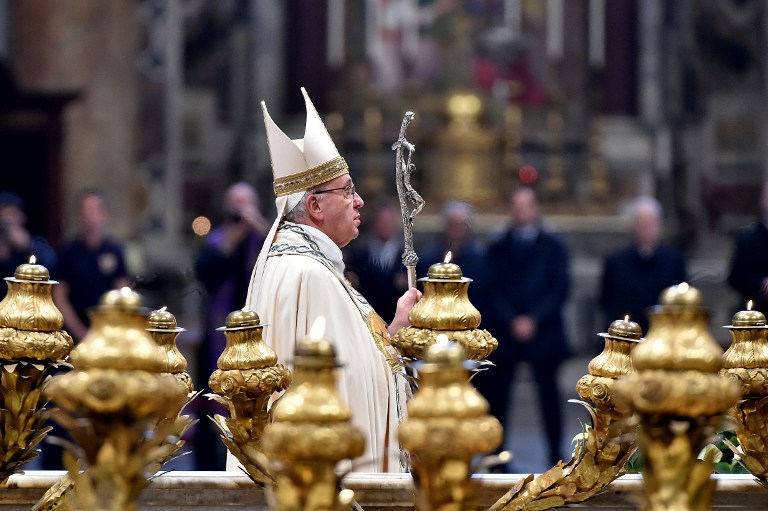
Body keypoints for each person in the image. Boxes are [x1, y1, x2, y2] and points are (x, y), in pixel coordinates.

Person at [244, 88, 420, 473]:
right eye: (348, 190)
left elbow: (352, 365)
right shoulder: (308, 275)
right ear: (315, 205)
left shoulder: (299, 262)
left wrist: (394, 330)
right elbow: (348, 389)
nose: (359, 202)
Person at [474, 186, 571, 468]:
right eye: (516, 204)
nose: (521, 210)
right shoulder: (498, 247)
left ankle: (555, 457)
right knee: (498, 397)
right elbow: (491, 289)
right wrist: (512, 319)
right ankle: (497, 457)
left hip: (544, 331)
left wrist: (533, 319)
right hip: (507, 331)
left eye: (526, 204)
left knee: (549, 397)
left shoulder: (553, 246)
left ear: (536, 208)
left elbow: (559, 288)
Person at [193, 181, 268, 470]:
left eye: (244, 202)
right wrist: (237, 233)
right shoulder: (219, 239)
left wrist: (256, 224)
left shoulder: (262, 236)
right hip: (220, 332)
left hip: (257, 330)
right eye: (235, 203)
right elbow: (206, 271)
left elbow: (278, 249)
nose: (239, 209)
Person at [600, 196, 687, 334]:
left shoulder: (674, 260)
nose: (648, 228)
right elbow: (606, 299)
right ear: (633, 225)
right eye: (643, 223)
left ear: (660, 225)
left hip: (663, 334)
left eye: (651, 223)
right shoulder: (615, 260)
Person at [53, 189, 130, 343]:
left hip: (108, 333)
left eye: (95, 209)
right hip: (74, 334)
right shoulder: (68, 251)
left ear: (104, 213)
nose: (91, 215)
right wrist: (81, 332)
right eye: (86, 210)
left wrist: (106, 329)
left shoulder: (115, 250)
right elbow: (60, 296)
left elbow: (122, 292)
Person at [344, 199, 407, 322]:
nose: (385, 226)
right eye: (382, 222)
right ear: (374, 223)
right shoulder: (359, 255)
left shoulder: (406, 257)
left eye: (389, 222)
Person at [416, 200, 486, 305]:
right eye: (454, 224)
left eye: (462, 224)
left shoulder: (481, 258)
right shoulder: (428, 259)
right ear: (445, 226)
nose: (458, 229)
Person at [0, 191, 57, 295]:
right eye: (3, 214)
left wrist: (28, 244)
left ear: (22, 217)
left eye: (11, 213)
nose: (7, 219)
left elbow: (53, 264)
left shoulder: (36, 242)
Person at [728, 181, 768, 313]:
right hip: (757, 311)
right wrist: (761, 283)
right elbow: (735, 278)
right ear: (762, 200)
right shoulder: (748, 239)